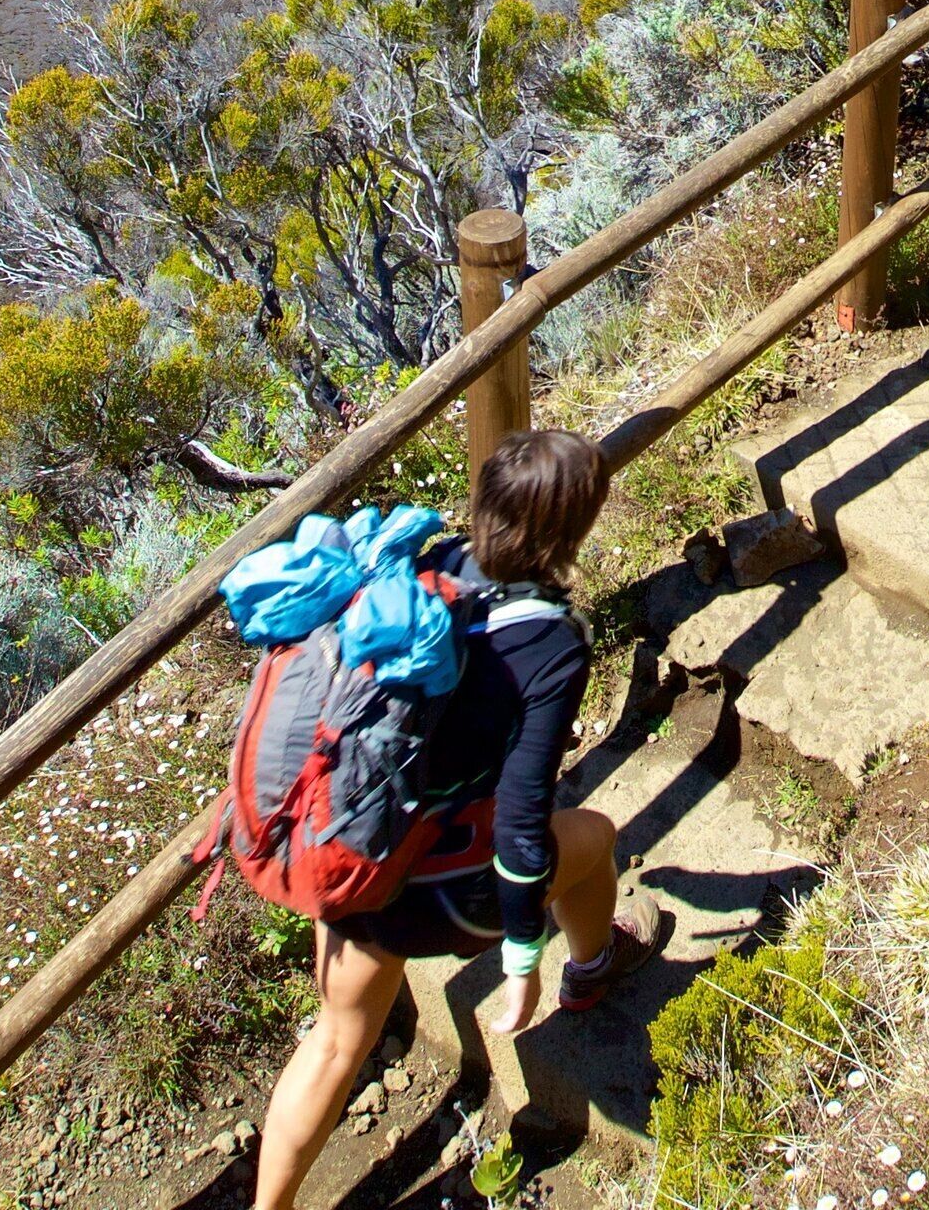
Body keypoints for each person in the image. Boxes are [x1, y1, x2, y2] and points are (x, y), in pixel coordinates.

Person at [251, 429, 660, 1210]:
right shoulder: (552, 643)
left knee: (336, 1042)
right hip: (442, 890)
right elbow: (520, 821)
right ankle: (591, 966)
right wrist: (518, 955)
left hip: (350, 852)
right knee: (596, 836)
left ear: (482, 505)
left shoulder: (425, 568)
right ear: (573, 529)